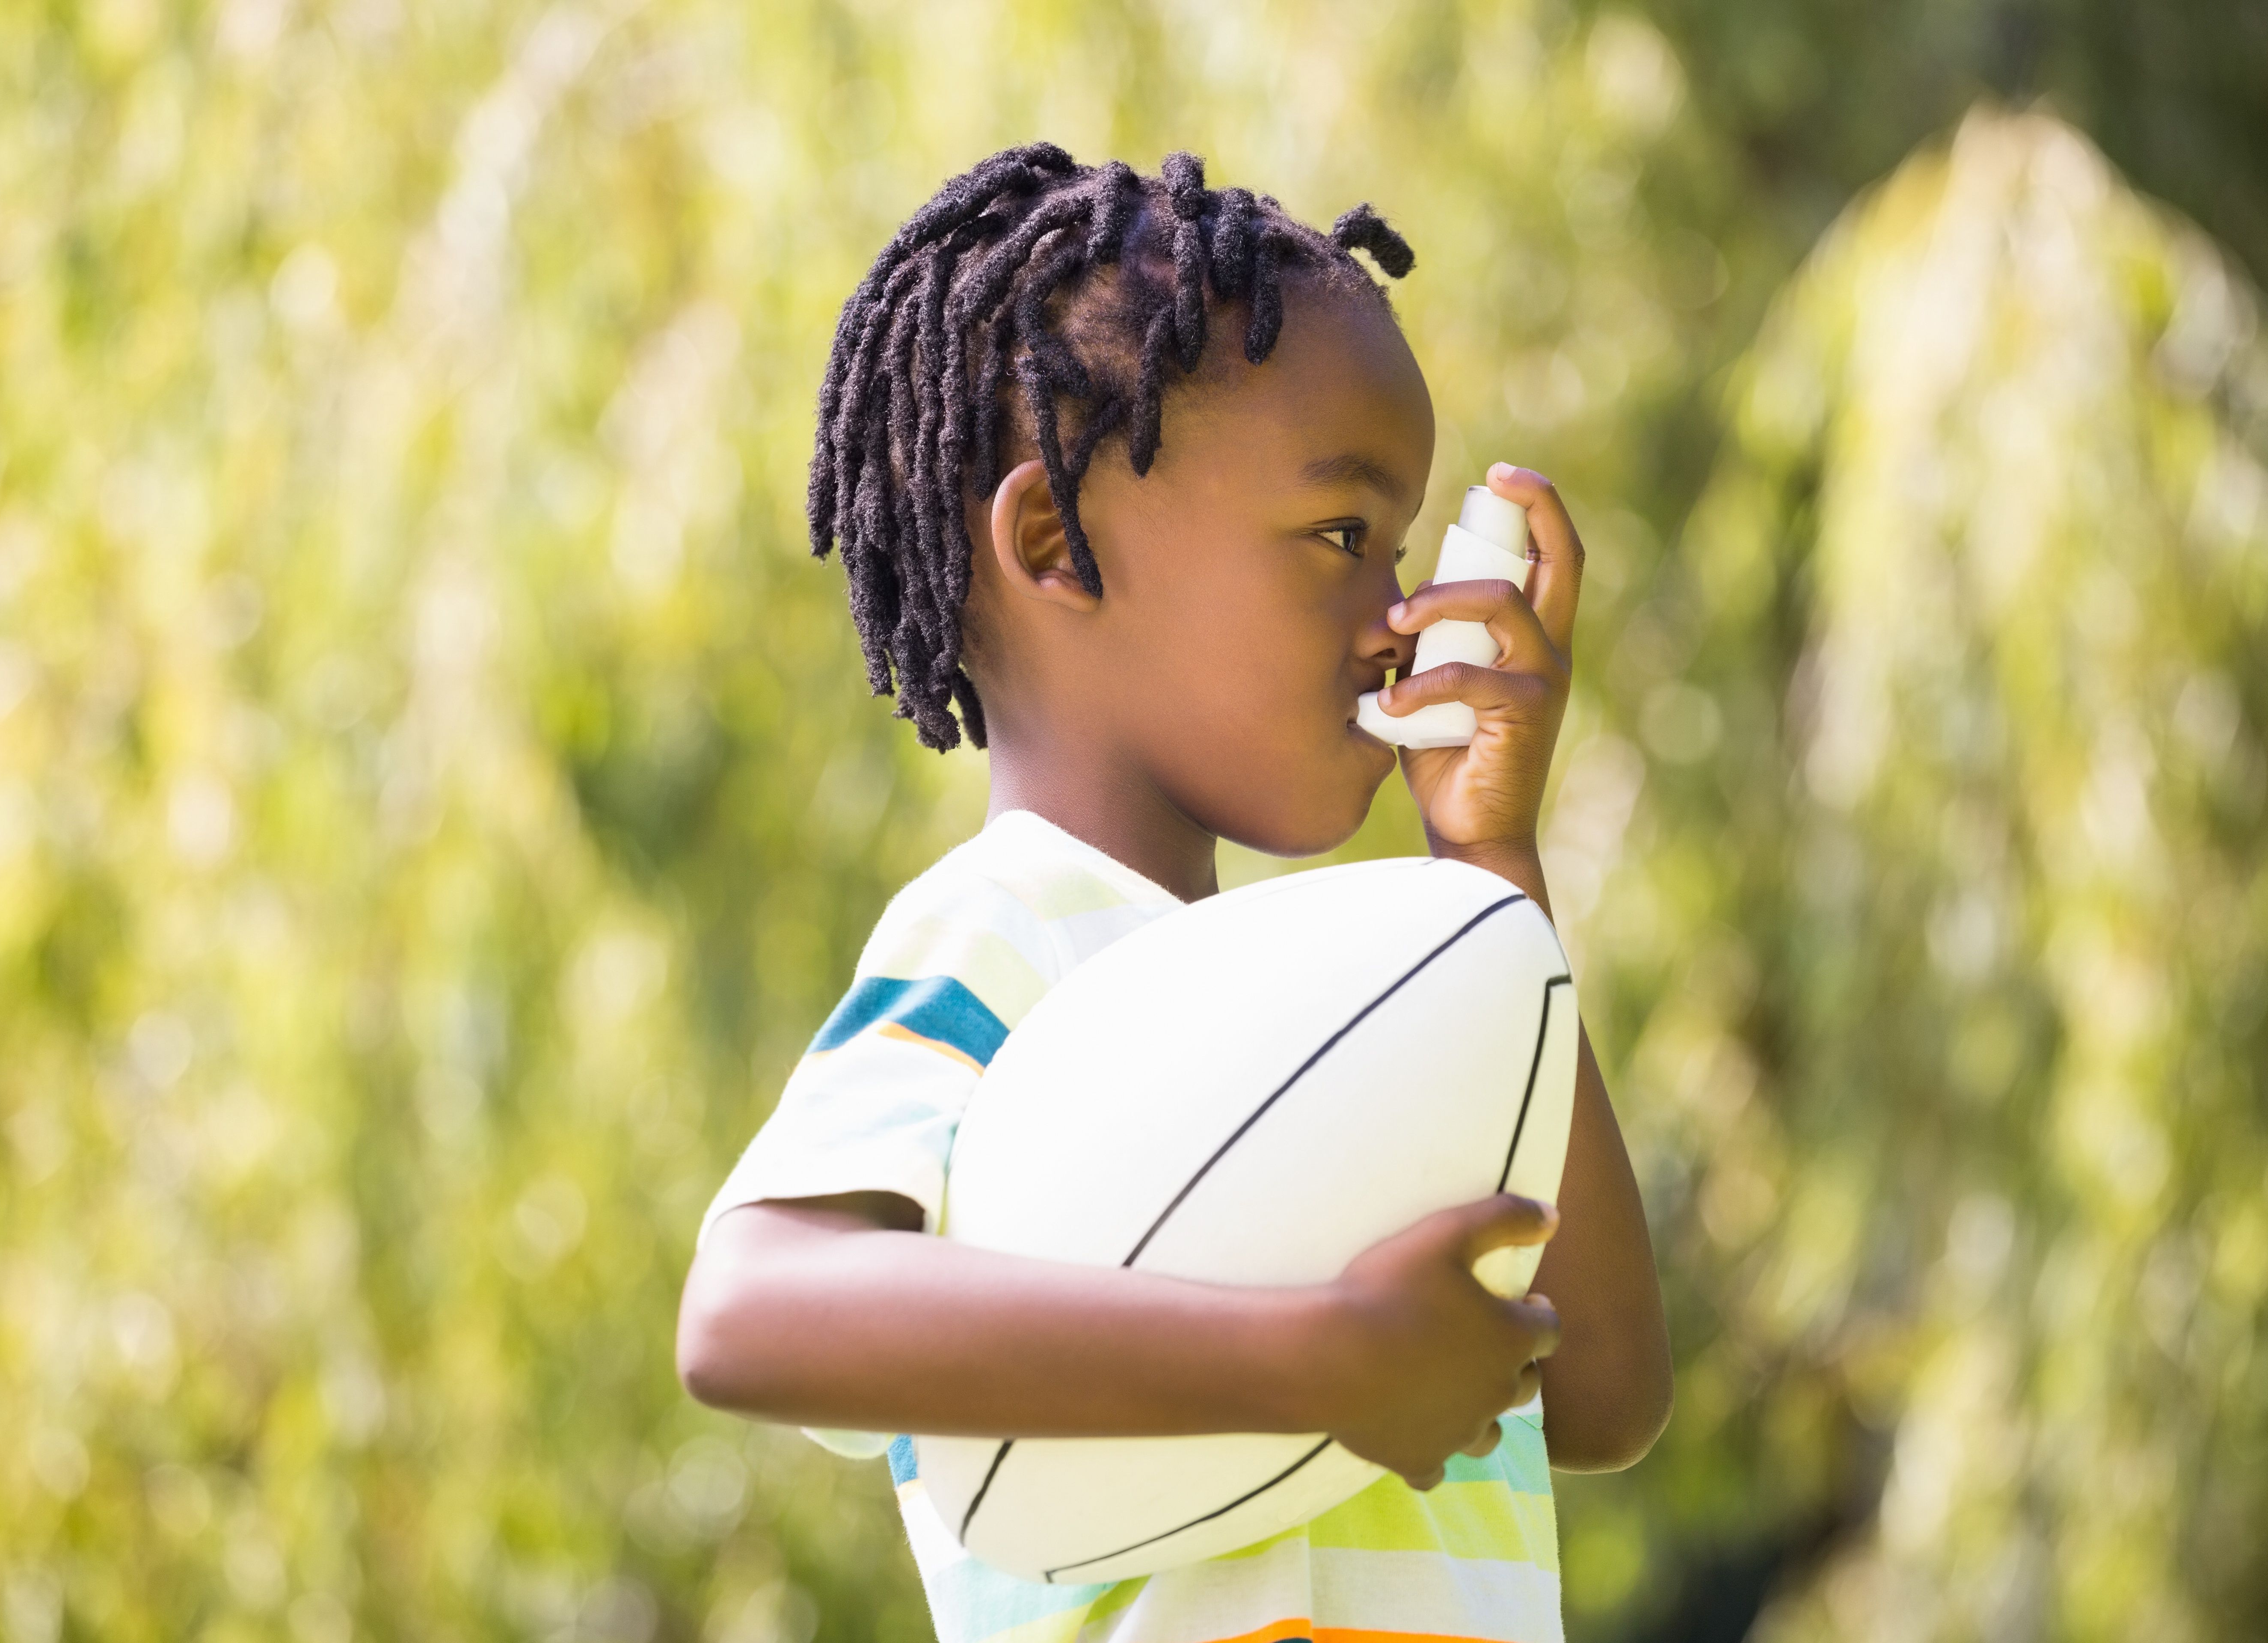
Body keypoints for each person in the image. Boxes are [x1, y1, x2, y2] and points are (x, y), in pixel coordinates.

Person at [677, 144, 1671, 1643]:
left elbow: (1601, 1394)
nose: (1397, 621)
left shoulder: (1380, 1007)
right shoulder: (1006, 932)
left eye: (1399, 554)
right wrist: (1311, 1364)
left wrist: (1491, 875)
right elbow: (750, 1312)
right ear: (1055, 544)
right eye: (1342, 539)